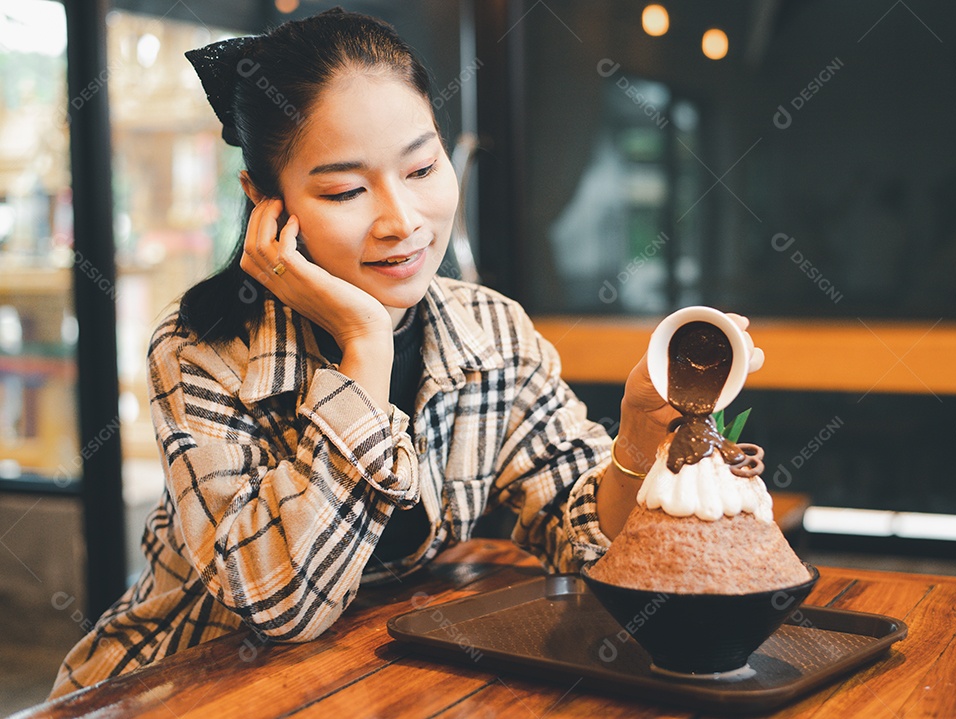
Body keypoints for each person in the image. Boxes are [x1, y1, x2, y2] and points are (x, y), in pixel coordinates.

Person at [50, 8, 758, 696]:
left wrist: (636, 431)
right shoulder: (205, 351)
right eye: (346, 189)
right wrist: (364, 344)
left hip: (361, 680)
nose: (402, 221)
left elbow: (589, 543)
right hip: (173, 685)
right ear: (266, 201)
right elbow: (280, 605)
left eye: (421, 170)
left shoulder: (490, 332)